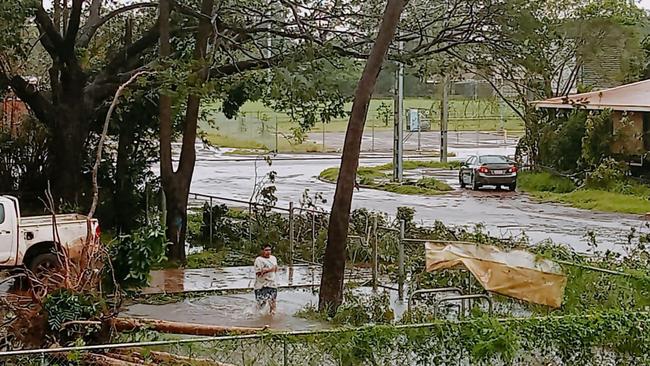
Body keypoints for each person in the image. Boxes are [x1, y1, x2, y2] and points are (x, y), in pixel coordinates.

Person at [254, 244, 278, 315]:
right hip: (261, 285)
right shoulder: (258, 260)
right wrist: (270, 270)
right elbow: (258, 273)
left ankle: (272, 317)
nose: (268, 252)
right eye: (266, 250)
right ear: (262, 251)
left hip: (272, 284)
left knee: (273, 301)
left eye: (269, 250)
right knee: (262, 304)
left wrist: (269, 270)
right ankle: (257, 316)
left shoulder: (273, 258)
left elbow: (276, 268)